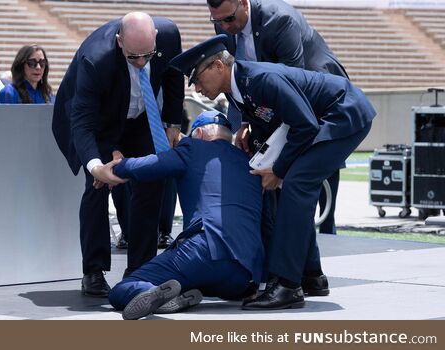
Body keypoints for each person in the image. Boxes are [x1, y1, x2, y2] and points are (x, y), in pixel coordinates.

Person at [169, 35, 375, 310]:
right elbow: (271, 120)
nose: (196, 88)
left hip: (343, 114)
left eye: (196, 78)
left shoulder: (261, 79)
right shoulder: (238, 88)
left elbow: (305, 125)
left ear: (218, 66)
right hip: (322, 118)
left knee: (297, 183)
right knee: (290, 187)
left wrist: (278, 169)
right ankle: (311, 275)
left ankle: (288, 286)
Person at [51, 13, 184, 297]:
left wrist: (173, 122)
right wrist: (96, 165)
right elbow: (83, 121)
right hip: (96, 120)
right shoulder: (95, 60)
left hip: (139, 117)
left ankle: (141, 268)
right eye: (133, 56)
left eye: (147, 55)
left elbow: (173, 74)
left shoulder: (170, 36)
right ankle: (93, 270)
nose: (140, 63)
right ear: (119, 41)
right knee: (98, 186)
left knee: (152, 177)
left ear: (156, 41)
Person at [98, 111, 264, 319]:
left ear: (201, 133)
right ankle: (181, 294)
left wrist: (113, 169)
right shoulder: (249, 162)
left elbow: (151, 164)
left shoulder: (193, 147)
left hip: (203, 249)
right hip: (243, 273)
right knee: (201, 280)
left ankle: (160, 295)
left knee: (122, 291)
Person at [207, 0, 348, 236]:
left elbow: (293, 82)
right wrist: (244, 121)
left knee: (318, 154)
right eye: (217, 21)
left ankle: (326, 226)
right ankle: (286, 230)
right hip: (269, 93)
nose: (224, 26)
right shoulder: (225, 23)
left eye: (229, 19)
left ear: (243, 3)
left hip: (316, 88)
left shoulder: (280, 20)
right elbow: (238, 76)